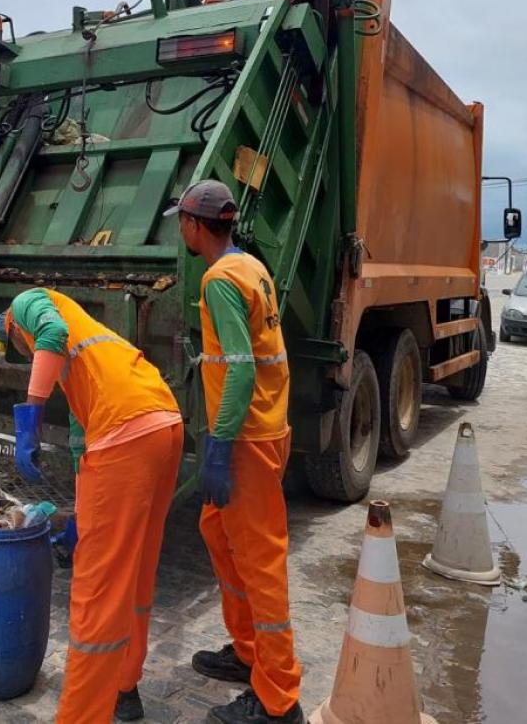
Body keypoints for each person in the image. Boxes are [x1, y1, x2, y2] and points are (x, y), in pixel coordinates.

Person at [0, 288, 183, 723]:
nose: (29, 356)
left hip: (125, 433)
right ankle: (124, 687)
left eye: (22, 351)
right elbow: (83, 442)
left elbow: (51, 333)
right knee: (134, 568)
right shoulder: (92, 346)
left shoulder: (29, 303)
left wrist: (31, 416)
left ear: (11, 328)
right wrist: (83, 514)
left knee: (96, 589)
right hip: (163, 423)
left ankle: (80, 716)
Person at [164, 180, 304, 724]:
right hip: (262, 430)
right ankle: (248, 652)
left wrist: (219, 446)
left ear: (196, 226)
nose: (181, 229)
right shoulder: (252, 267)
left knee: (260, 564)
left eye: (183, 221)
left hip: (246, 439)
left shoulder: (220, 279)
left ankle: (277, 699)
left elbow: (241, 366)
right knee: (217, 534)